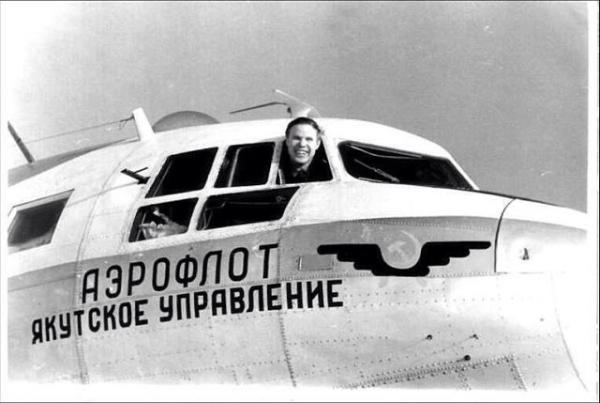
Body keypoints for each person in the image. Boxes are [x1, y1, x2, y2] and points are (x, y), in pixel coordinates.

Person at [277, 117, 332, 184]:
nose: (302, 144)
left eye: (309, 139)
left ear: (317, 144)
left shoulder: (328, 173)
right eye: (296, 138)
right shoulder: (272, 171)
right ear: (287, 141)